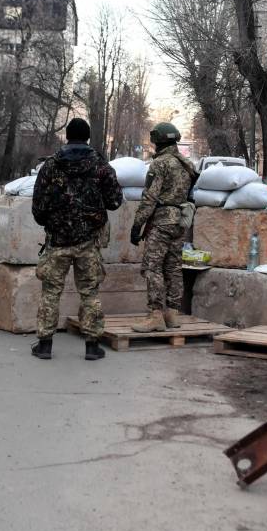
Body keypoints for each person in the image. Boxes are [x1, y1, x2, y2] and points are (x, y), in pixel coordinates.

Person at [31, 118, 123, 360]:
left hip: (57, 240)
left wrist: (52, 221)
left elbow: (38, 207)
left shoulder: (50, 166)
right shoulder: (101, 166)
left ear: (67, 136)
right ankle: (92, 346)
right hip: (89, 241)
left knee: (51, 292)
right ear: (88, 137)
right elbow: (114, 201)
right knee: (90, 293)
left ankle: (45, 345)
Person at [129, 122, 198, 332]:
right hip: (180, 221)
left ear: (157, 140)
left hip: (161, 221)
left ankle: (156, 314)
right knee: (173, 267)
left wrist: (137, 225)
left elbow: (150, 198)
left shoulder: (160, 164)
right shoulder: (187, 164)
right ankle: (172, 314)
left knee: (152, 266)